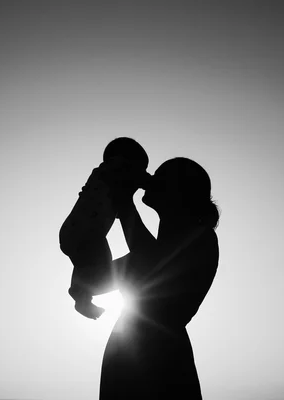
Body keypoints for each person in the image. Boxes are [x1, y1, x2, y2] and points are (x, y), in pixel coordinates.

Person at [79, 157, 220, 399]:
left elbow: (149, 261)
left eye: (160, 176)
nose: (151, 179)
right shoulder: (166, 246)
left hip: (157, 363)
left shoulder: (201, 238)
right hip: (136, 355)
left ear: (179, 192)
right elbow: (93, 278)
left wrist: (124, 205)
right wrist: (92, 212)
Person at [59, 137, 150, 320]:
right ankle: (80, 291)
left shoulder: (103, 180)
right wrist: (151, 182)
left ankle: (80, 294)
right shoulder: (115, 168)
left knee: (86, 264)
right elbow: (135, 178)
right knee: (101, 266)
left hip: (74, 231)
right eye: (141, 167)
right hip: (88, 232)